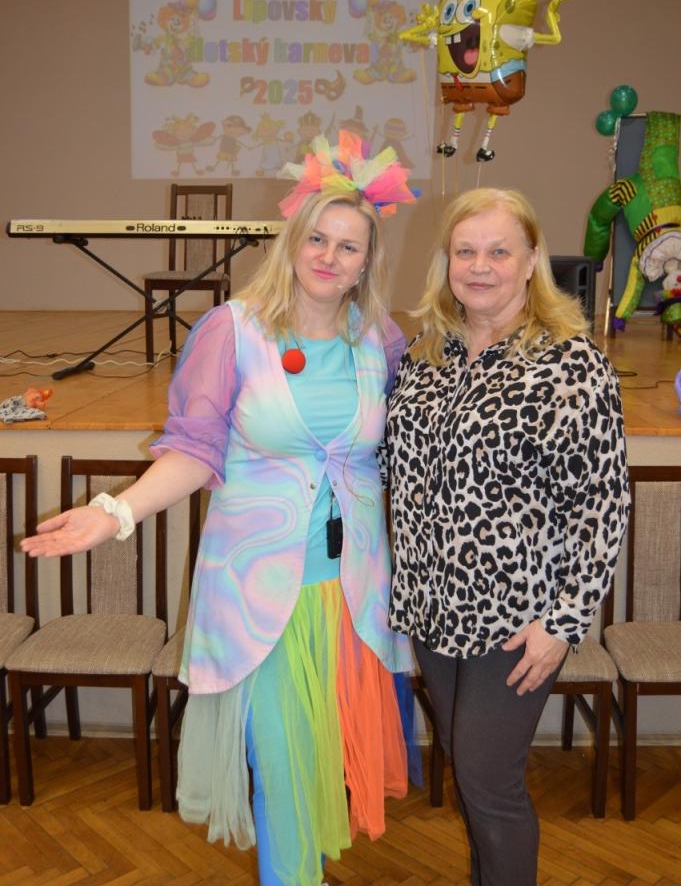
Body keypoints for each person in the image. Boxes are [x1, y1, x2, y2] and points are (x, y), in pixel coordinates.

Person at [21, 132, 420, 886]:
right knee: (281, 770)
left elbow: (410, 448)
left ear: (368, 261)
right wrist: (114, 513)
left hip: (352, 597)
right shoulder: (232, 331)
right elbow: (194, 450)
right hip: (259, 597)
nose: (329, 256)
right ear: (292, 241)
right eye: (318, 238)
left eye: (349, 246)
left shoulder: (379, 339)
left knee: (320, 769)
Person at [385, 187, 630, 886]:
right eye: (465, 251)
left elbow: (604, 505)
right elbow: (392, 466)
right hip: (433, 609)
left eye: (499, 251)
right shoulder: (426, 354)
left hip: (517, 619)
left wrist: (563, 623)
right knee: (472, 776)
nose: (480, 266)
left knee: (489, 783)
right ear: (446, 261)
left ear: (530, 261)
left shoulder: (570, 363)